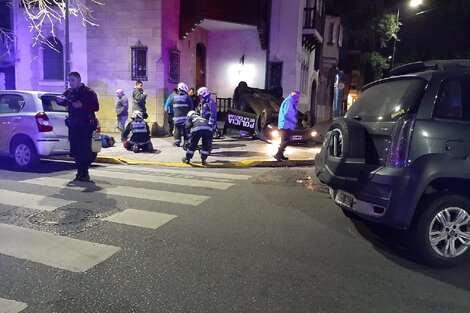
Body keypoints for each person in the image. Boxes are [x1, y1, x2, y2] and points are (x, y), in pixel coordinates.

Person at [56, 71, 100, 182]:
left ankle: (84, 172)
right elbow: (64, 101)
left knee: (84, 150)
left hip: (85, 125)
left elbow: (96, 107)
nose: (70, 83)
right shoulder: (69, 92)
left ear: (79, 80)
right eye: (69, 80)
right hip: (73, 125)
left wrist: (82, 105)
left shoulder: (88, 92)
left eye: (72, 80)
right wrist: (59, 101)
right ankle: (80, 171)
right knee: (75, 150)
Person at [274, 90, 300, 162]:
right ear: (294, 96)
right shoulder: (289, 101)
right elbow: (287, 114)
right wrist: (294, 120)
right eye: (298, 97)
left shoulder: (289, 101)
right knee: (286, 140)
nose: (298, 99)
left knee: (284, 140)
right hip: (286, 125)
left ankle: (281, 155)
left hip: (285, 124)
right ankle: (278, 155)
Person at [171, 82, 194, 148]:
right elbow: (191, 107)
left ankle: (177, 142)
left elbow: (172, 106)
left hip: (177, 118)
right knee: (186, 130)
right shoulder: (187, 97)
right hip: (185, 118)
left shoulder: (174, 97)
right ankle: (186, 143)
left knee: (177, 129)